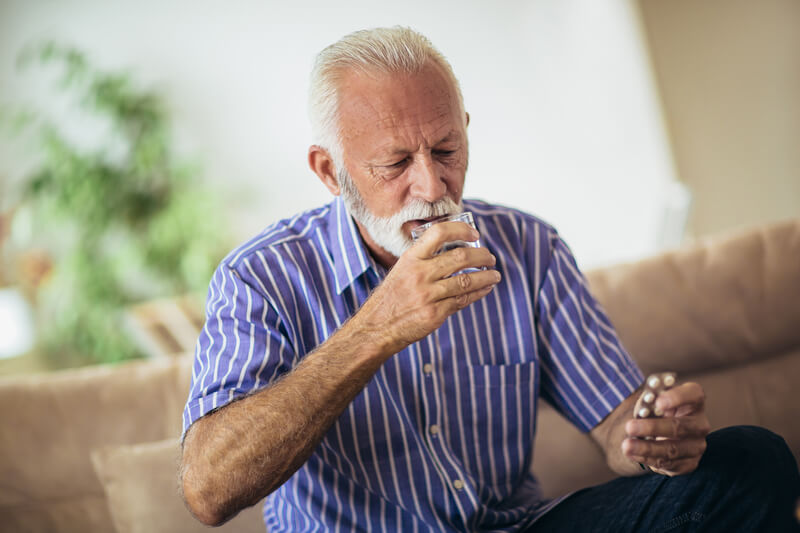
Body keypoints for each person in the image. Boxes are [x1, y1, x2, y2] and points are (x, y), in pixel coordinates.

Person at [180, 27, 800, 532]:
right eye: (395, 162)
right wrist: (376, 329)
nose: (431, 187)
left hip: (513, 528)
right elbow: (208, 492)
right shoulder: (261, 276)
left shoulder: (527, 247)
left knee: (752, 460)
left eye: (446, 151)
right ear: (329, 171)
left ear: (465, 131)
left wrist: (651, 434)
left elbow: (616, 427)